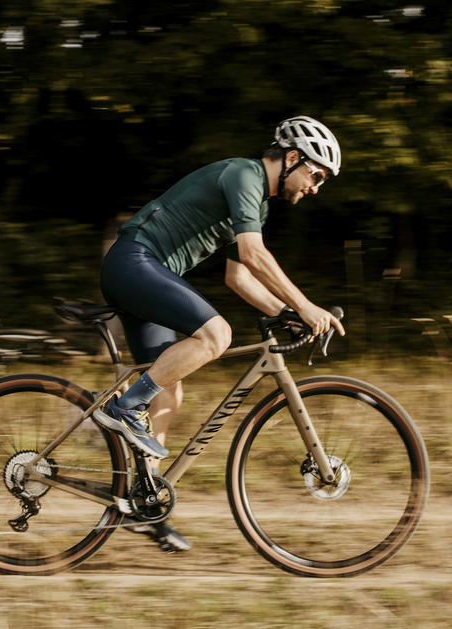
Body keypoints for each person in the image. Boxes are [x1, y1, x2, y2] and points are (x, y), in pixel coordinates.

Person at [94, 116, 346, 552]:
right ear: (292, 158)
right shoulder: (244, 174)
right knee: (217, 335)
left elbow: (239, 277)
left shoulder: (257, 204)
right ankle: (124, 408)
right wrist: (306, 306)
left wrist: (287, 313)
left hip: (144, 272)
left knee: (167, 394)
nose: (315, 187)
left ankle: (145, 505)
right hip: (134, 262)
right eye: (316, 175)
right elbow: (254, 252)